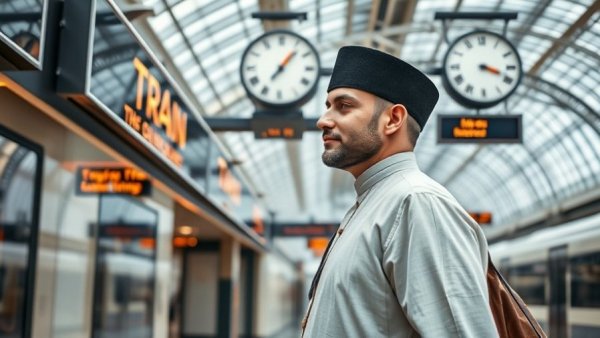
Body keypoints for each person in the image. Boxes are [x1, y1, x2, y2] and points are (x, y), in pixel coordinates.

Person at [301, 46, 499, 338]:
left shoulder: (416, 203)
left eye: (344, 106)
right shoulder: (374, 203)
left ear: (393, 119)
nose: (323, 120)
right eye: (327, 105)